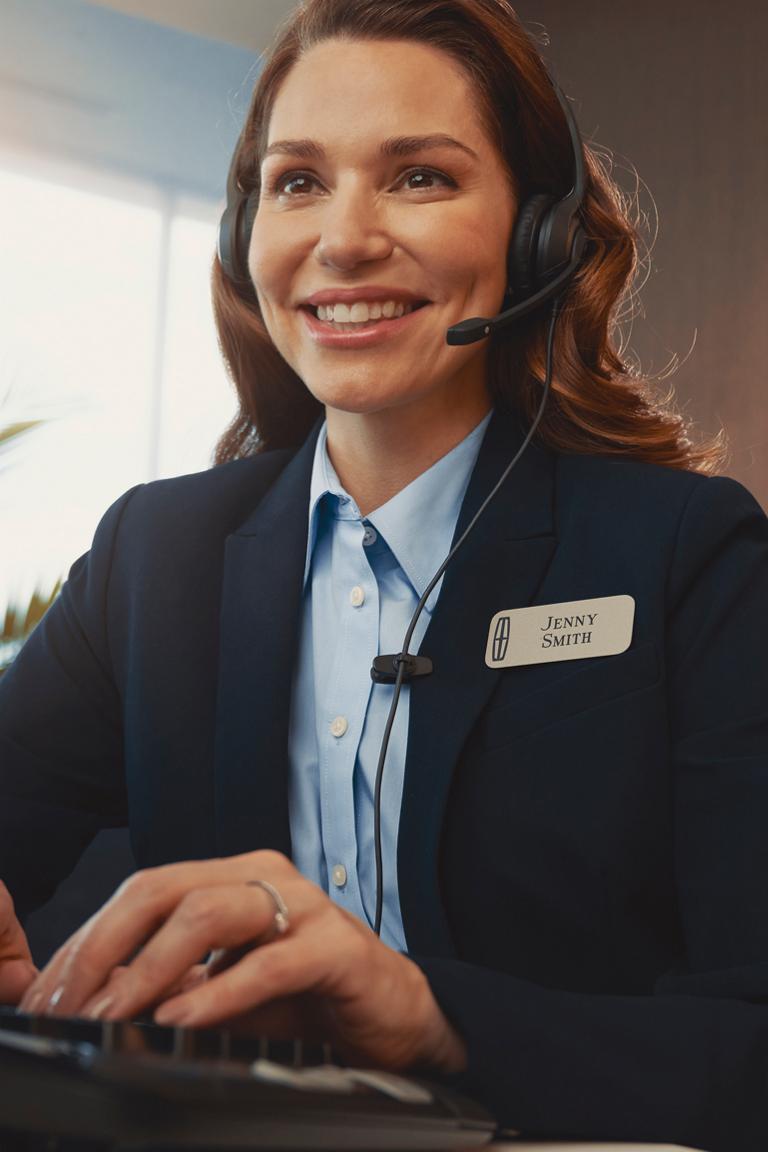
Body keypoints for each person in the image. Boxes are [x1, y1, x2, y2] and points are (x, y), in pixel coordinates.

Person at [2, 0, 768, 1148]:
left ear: (541, 232)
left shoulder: (687, 556)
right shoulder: (151, 557)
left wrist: (429, 1014)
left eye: (418, 177)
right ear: (242, 236)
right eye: (298, 181)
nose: (344, 238)